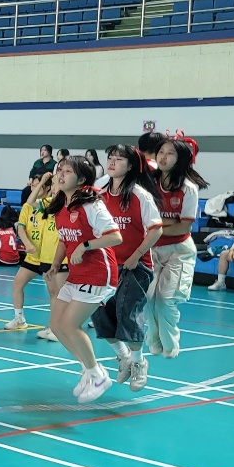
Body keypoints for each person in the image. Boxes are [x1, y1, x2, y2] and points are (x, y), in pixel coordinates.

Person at [45, 157, 126, 403]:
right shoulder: (62, 205)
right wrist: (56, 264)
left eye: (68, 172)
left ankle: (98, 375)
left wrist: (85, 245)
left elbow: (115, 237)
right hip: (76, 273)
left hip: (99, 272)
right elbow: (63, 238)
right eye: (60, 170)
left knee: (70, 325)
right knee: (57, 326)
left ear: (81, 180)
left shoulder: (92, 206)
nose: (61, 175)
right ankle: (88, 370)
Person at [94, 144, 163, 393]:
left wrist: (136, 256)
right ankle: (123, 356)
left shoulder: (140, 196)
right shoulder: (99, 192)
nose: (112, 161)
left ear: (131, 165)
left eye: (119, 158)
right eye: (109, 157)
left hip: (135, 266)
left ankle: (138, 363)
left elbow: (156, 229)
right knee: (99, 315)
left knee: (128, 313)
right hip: (105, 266)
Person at [145, 137, 205, 358]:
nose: (163, 157)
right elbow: (146, 220)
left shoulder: (188, 189)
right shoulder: (148, 184)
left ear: (180, 159)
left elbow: (184, 226)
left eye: (169, 153)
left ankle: (170, 345)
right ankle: (153, 341)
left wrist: (158, 227)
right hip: (151, 249)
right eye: (160, 152)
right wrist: (166, 224)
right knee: (148, 298)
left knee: (165, 299)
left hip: (179, 251)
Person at [7, 172, 60, 336]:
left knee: (55, 292)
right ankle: (19, 319)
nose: (33, 187)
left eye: (37, 185)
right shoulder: (28, 207)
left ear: (48, 187)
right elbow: (20, 227)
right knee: (17, 284)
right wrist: (27, 244)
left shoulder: (52, 205)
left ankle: (55, 327)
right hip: (32, 257)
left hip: (48, 255)